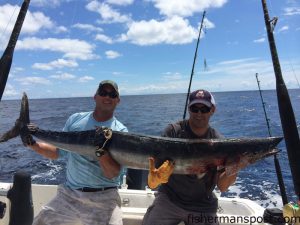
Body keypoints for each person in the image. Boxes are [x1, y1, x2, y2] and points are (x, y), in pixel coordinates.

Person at [21, 80, 127, 225]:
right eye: (103, 93)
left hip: (105, 197)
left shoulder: (120, 132)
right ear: (95, 96)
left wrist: (101, 152)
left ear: (118, 100)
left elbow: (112, 174)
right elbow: (59, 152)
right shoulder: (76, 120)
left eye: (112, 94)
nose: (107, 97)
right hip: (70, 194)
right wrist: (33, 144)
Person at [142, 89, 245, 225]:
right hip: (169, 199)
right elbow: (154, 173)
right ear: (189, 109)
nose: (199, 113)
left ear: (212, 110)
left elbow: (223, 187)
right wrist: (154, 180)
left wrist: (235, 167)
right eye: (194, 108)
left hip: (202, 204)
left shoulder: (219, 142)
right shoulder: (173, 132)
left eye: (204, 109)